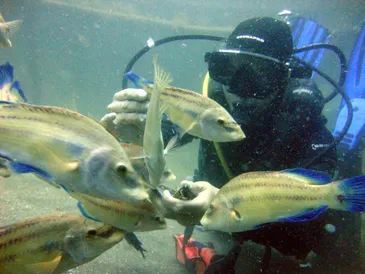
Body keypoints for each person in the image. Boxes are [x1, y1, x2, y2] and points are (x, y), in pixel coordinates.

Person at [101, 17, 342, 273]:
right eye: (226, 67)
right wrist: (140, 133)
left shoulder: (304, 125)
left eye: (258, 73)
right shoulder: (212, 109)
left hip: (244, 224)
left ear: (283, 78)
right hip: (219, 218)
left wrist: (233, 209)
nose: (238, 87)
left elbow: (305, 238)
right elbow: (169, 132)